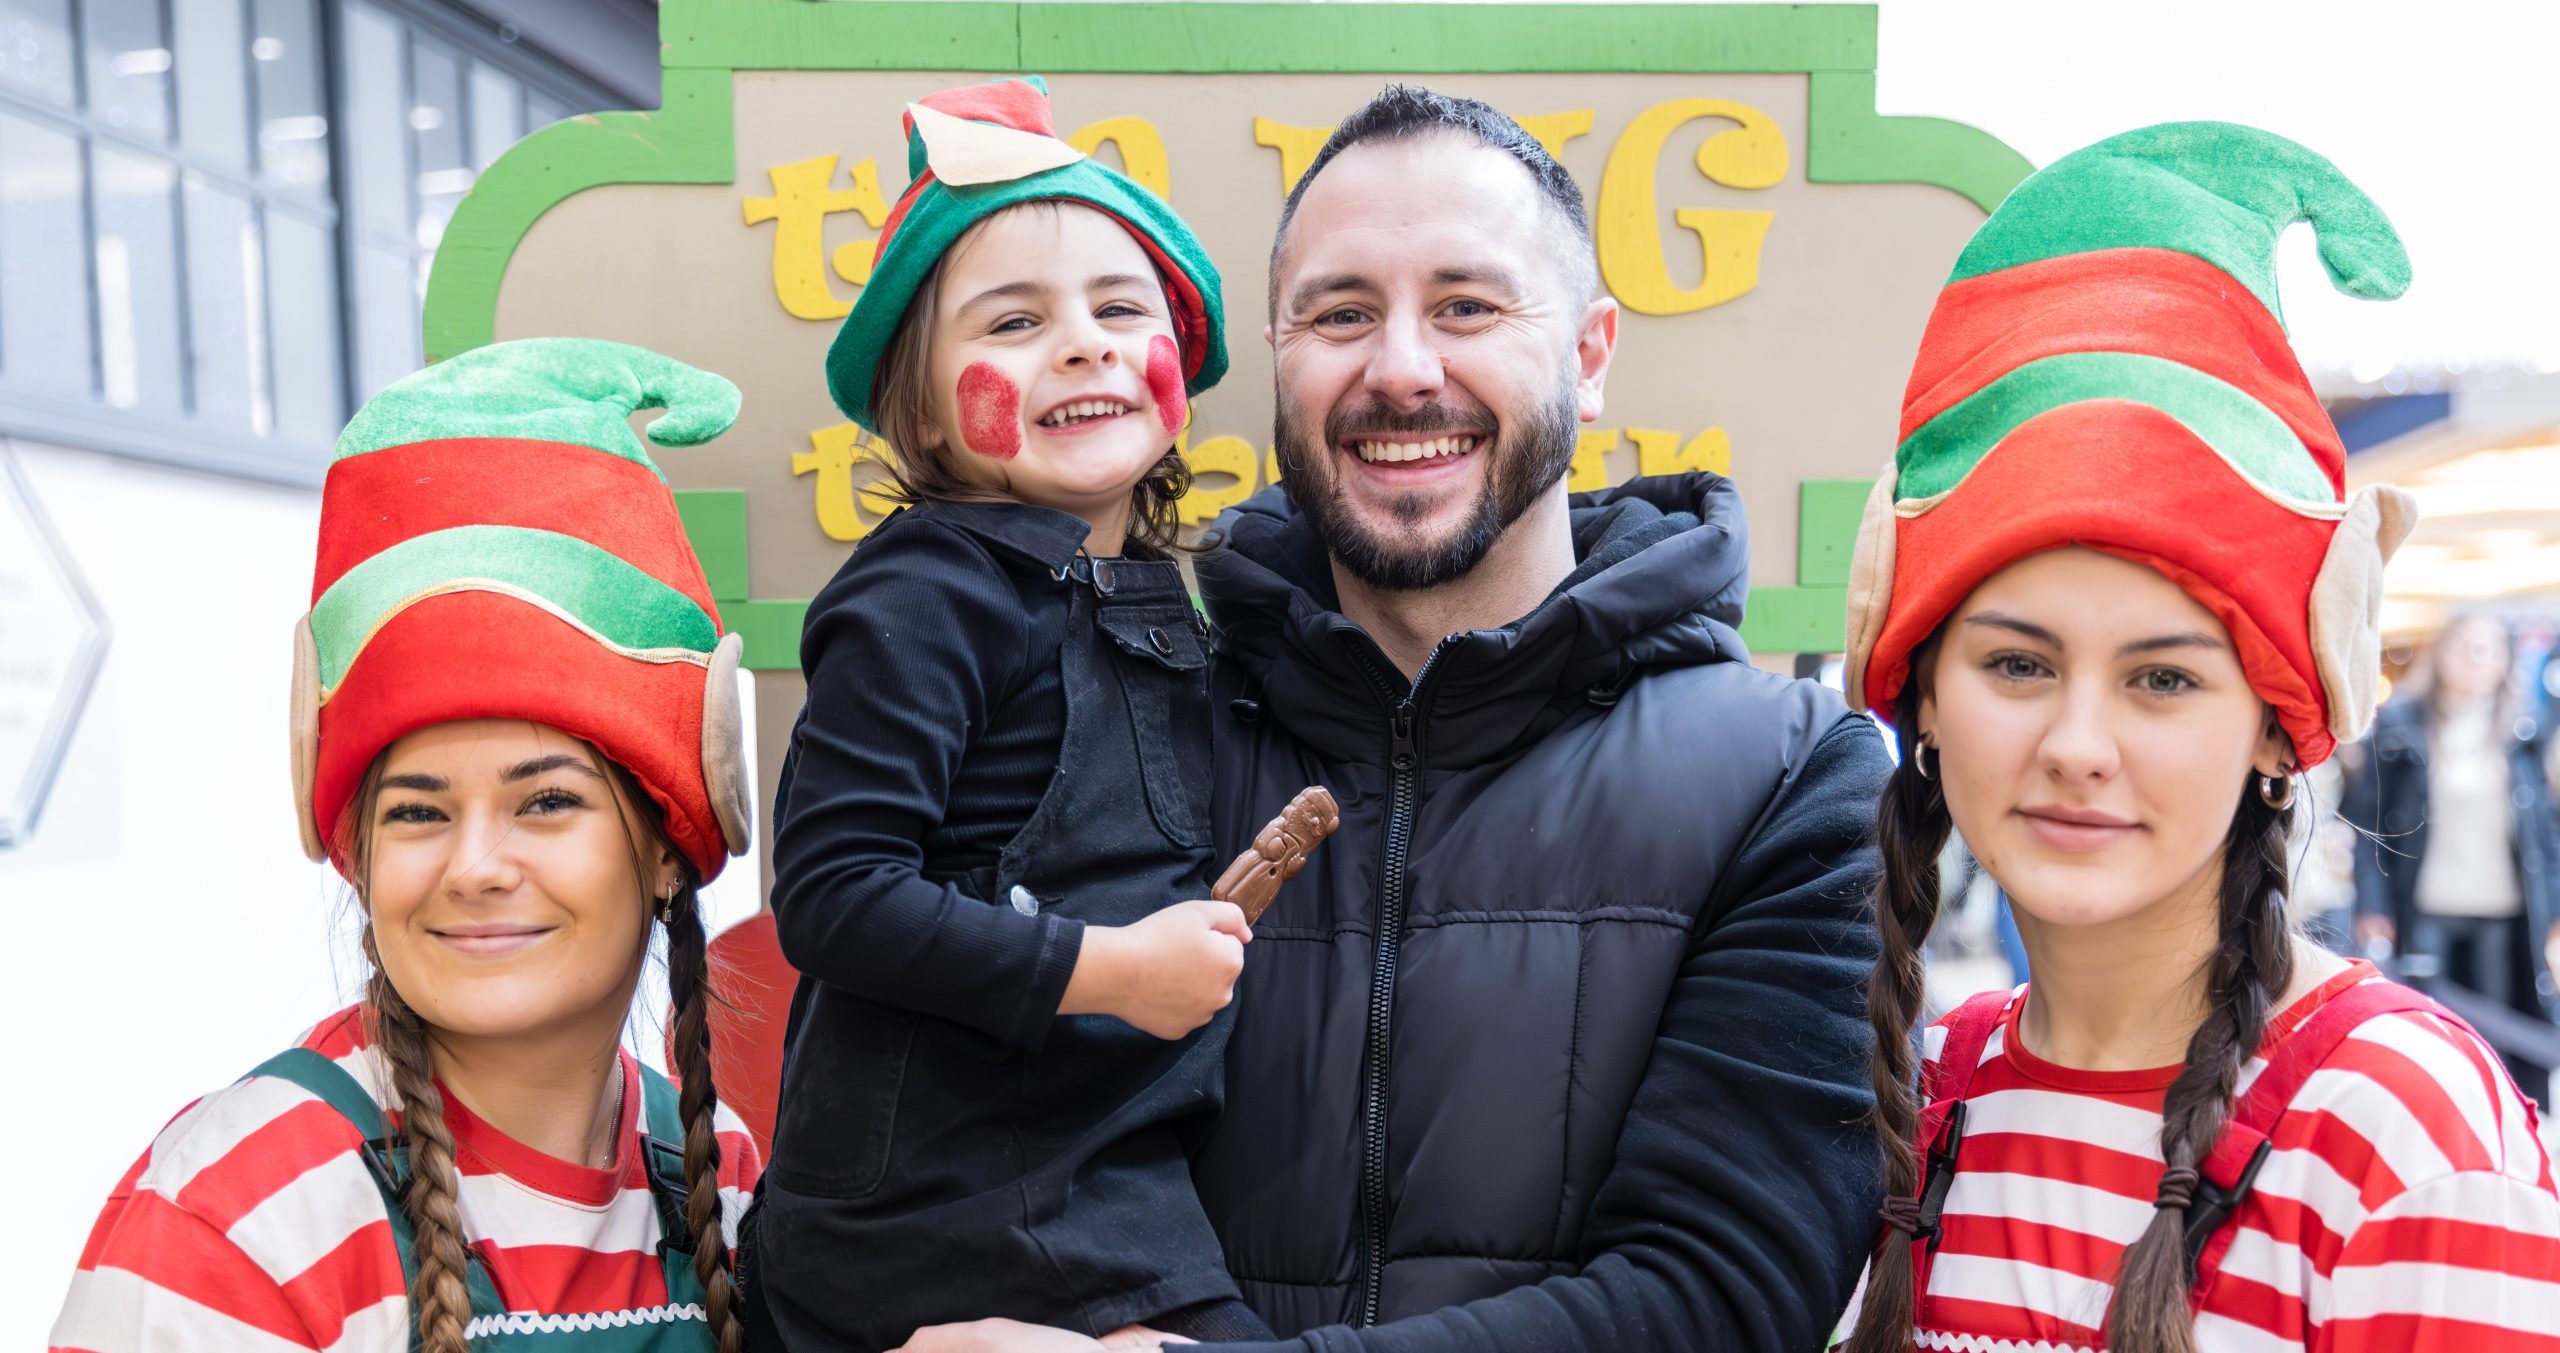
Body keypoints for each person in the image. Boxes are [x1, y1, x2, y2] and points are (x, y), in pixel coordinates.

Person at [903, 83, 1891, 1353]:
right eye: (1340, 313)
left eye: (1467, 307)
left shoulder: (1791, 779)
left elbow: (1726, 1293)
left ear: (1588, 358)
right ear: (1277, 357)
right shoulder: (1116, 708)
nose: (1402, 370)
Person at [1838, 122, 2560, 1353]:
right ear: (1922, 703)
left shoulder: (2399, 1128)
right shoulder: (1926, 1094)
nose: (2076, 742)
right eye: (2017, 663)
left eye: (2161, 680)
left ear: (2278, 733)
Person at [48, 338, 764, 1352]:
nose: (474, 866)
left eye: (546, 803)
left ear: (663, 849)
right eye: (418, 812)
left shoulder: (716, 1171)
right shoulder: (242, 1206)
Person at [750, 76, 1277, 1351]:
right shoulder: (924, 590)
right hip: (931, 1208)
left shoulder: (1171, 605)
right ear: (922, 408)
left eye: (1117, 308)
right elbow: (831, 891)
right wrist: (1113, 971)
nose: (1085, 344)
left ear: (1179, 379)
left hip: (1102, 1172)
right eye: (1015, 321)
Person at [2344, 611, 2560, 1085]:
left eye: (2488, 648)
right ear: (2440, 653)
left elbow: (2544, 831)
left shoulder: (2525, 731)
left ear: (2506, 661)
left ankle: (2501, 1127)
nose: (2475, 657)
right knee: (2431, 1030)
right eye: (2463, 645)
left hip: (2502, 910)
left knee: (2500, 1036)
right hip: (2425, 907)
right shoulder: (2399, 728)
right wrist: (2371, 901)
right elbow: (2367, 823)